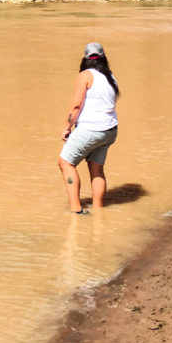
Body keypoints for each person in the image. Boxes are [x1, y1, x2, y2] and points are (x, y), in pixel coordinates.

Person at [58, 42, 119, 214]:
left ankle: (77, 211)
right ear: (103, 58)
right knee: (97, 169)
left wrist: (67, 128)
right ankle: (99, 211)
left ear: (85, 59)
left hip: (91, 129)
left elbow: (76, 106)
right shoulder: (110, 76)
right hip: (109, 130)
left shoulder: (85, 75)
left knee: (65, 162)